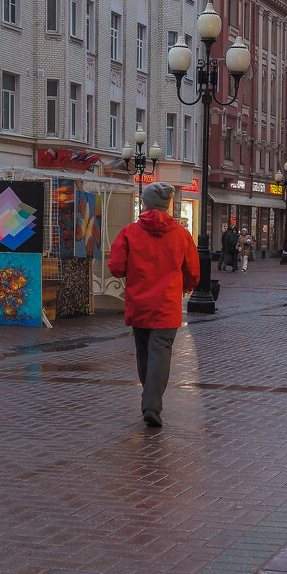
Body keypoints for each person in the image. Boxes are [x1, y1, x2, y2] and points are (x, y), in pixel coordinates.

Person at [108, 182, 199, 428]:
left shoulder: (129, 232)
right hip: (167, 305)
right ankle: (152, 404)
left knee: (144, 353)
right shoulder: (182, 234)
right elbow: (193, 271)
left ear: (145, 203)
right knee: (161, 353)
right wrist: (187, 285)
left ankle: (149, 398)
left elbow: (116, 267)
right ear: (167, 205)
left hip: (139, 303)